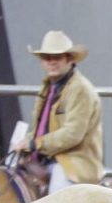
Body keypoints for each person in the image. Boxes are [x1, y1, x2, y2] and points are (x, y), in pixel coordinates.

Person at [16, 31, 104, 192]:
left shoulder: (80, 89)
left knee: (55, 202)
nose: (51, 62)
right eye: (46, 58)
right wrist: (26, 143)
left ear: (69, 59)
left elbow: (72, 134)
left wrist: (34, 144)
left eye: (56, 57)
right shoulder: (48, 87)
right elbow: (40, 129)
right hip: (48, 159)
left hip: (73, 163)